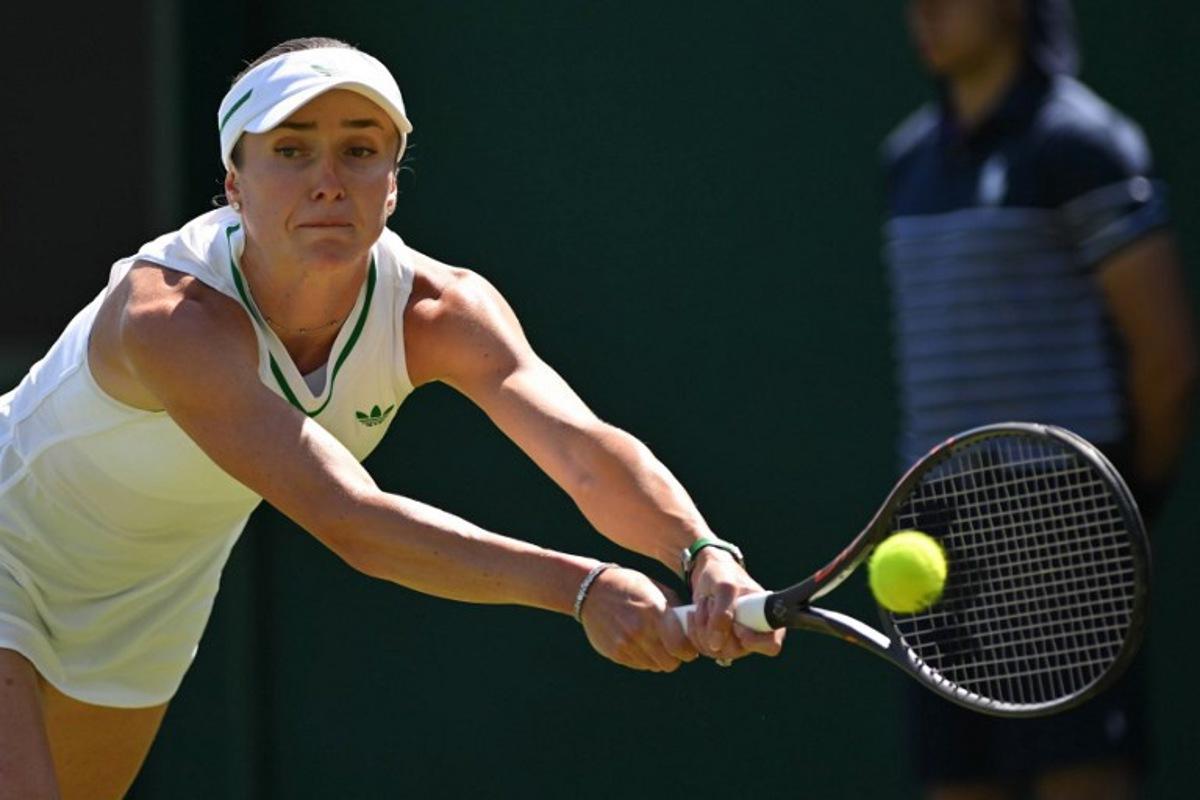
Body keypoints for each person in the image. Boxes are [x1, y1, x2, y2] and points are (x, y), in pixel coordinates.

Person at [0, 37, 784, 799]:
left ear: (394, 182)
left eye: (361, 150)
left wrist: (701, 551)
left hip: (152, 600)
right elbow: (351, 517)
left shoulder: (443, 310)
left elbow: (583, 450)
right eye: (292, 150)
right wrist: (584, 587)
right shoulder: (170, 318)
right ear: (235, 183)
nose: (330, 181)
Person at [880, 1, 1197, 798]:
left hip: (1062, 526)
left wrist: (1119, 508)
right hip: (938, 532)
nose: (924, 9)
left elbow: (1168, 361)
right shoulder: (906, 161)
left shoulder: (1083, 146)